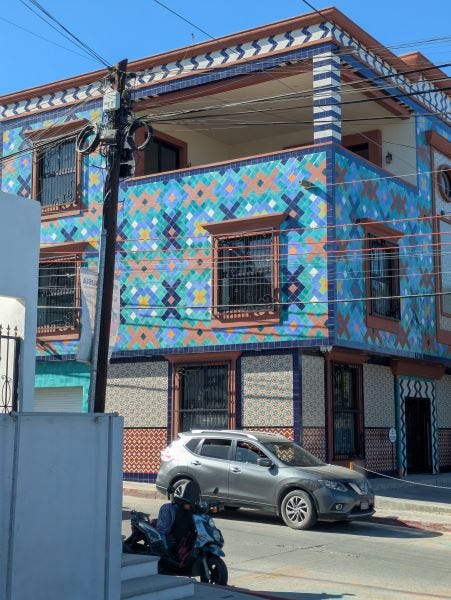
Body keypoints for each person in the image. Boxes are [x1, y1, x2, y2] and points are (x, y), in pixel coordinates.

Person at [156, 481, 200, 565]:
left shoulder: (189, 510)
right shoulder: (170, 509)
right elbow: (163, 529)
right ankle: (165, 555)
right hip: (167, 535)